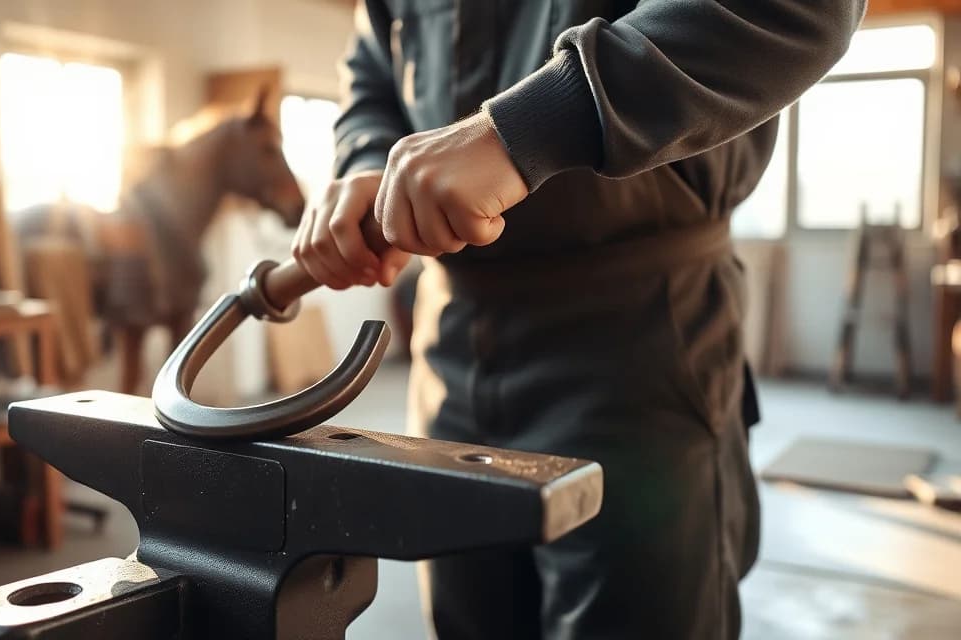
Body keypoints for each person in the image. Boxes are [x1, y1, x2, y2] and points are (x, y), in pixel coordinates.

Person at [292, 1, 864, 638]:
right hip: (450, 336)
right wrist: (369, 161)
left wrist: (520, 132)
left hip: (638, 337)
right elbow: (373, 67)